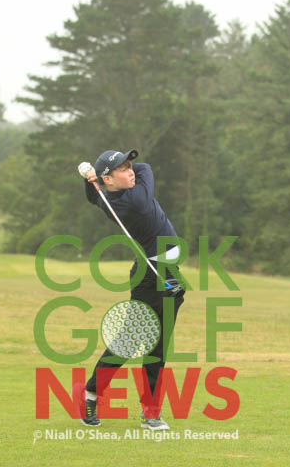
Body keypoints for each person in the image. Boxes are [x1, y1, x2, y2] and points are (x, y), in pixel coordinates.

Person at [77, 149, 185, 431]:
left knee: (146, 343)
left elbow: (93, 196)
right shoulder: (135, 201)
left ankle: (109, 400)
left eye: (129, 166)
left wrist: (89, 179)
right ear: (108, 179)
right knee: (142, 343)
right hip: (153, 274)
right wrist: (93, 178)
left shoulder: (107, 198)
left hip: (161, 270)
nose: (131, 172)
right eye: (123, 169)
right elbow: (146, 167)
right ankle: (102, 398)